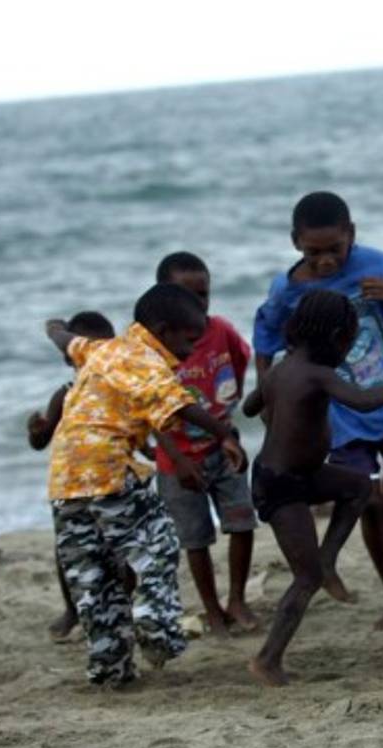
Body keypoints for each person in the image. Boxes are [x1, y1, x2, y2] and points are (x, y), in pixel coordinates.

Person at [253, 192, 383, 629]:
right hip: (340, 413)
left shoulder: (378, 265)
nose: (325, 260)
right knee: (366, 498)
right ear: (295, 242)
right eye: (314, 252)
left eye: (335, 250)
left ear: (352, 235)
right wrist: (270, 401)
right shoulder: (287, 290)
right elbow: (267, 344)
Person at [45, 284, 246, 687]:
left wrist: (55, 329)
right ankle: (154, 621)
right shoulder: (147, 361)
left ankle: (110, 667)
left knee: (93, 577)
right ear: (161, 330)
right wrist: (225, 432)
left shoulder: (102, 350)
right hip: (110, 471)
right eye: (189, 341)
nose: (192, 352)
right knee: (158, 545)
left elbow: (65, 340)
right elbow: (181, 406)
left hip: (65, 482)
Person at [243, 289, 383, 686]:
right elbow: (365, 402)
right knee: (305, 579)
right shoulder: (318, 374)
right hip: (281, 487)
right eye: (348, 342)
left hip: (298, 474)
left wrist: (274, 406)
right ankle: (267, 660)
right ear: (335, 336)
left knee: (359, 488)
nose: (348, 350)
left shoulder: (281, 369)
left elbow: (251, 406)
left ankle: (329, 558)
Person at [153, 252, 259, 635]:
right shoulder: (154, 349)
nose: (198, 304)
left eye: (204, 295)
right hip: (177, 461)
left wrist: (226, 417)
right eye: (188, 296)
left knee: (242, 520)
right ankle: (212, 609)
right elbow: (150, 413)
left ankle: (237, 599)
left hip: (222, 445)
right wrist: (178, 459)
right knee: (195, 537)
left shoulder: (221, 330)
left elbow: (239, 361)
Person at [27, 310, 116, 641]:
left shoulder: (118, 392)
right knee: (68, 552)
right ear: (72, 359)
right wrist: (35, 431)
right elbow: (41, 441)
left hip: (112, 485)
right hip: (70, 488)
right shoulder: (64, 395)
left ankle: (119, 605)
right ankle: (72, 609)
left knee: (116, 548)